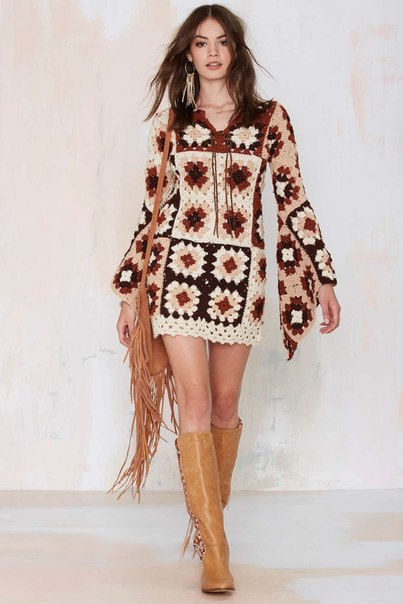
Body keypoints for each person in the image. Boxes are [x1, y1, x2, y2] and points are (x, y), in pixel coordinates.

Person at [110, 3, 341, 594]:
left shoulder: (269, 119)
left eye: (221, 41)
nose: (212, 52)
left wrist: (323, 278)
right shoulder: (172, 124)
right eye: (200, 43)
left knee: (224, 402)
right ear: (188, 54)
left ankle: (209, 526)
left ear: (235, 50)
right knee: (193, 400)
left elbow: (293, 200)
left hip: (240, 279)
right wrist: (130, 294)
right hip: (177, 278)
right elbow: (150, 213)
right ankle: (216, 553)